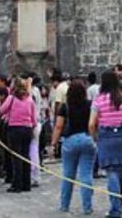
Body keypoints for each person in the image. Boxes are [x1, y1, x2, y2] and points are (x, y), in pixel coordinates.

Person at [89, 70, 122, 218]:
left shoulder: (99, 100)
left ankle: (115, 208)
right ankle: (120, 202)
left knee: (111, 171)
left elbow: (91, 123)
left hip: (106, 137)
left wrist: (95, 137)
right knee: (119, 170)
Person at [51, 79, 96, 214]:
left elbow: (59, 126)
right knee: (86, 175)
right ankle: (87, 207)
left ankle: (64, 205)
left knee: (68, 175)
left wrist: (53, 143)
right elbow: (94, 122)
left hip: (70, 140)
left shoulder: (65, 107)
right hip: (87, 139)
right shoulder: (90, 105)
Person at [0, 76, 37, 193]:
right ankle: (27, 183)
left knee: (16, 156)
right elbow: (34, 118)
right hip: (27, 128)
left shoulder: (12, 98)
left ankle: (17, 184)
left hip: (14, 128)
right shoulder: (30, 99)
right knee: (26, 156)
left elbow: (2, 110)